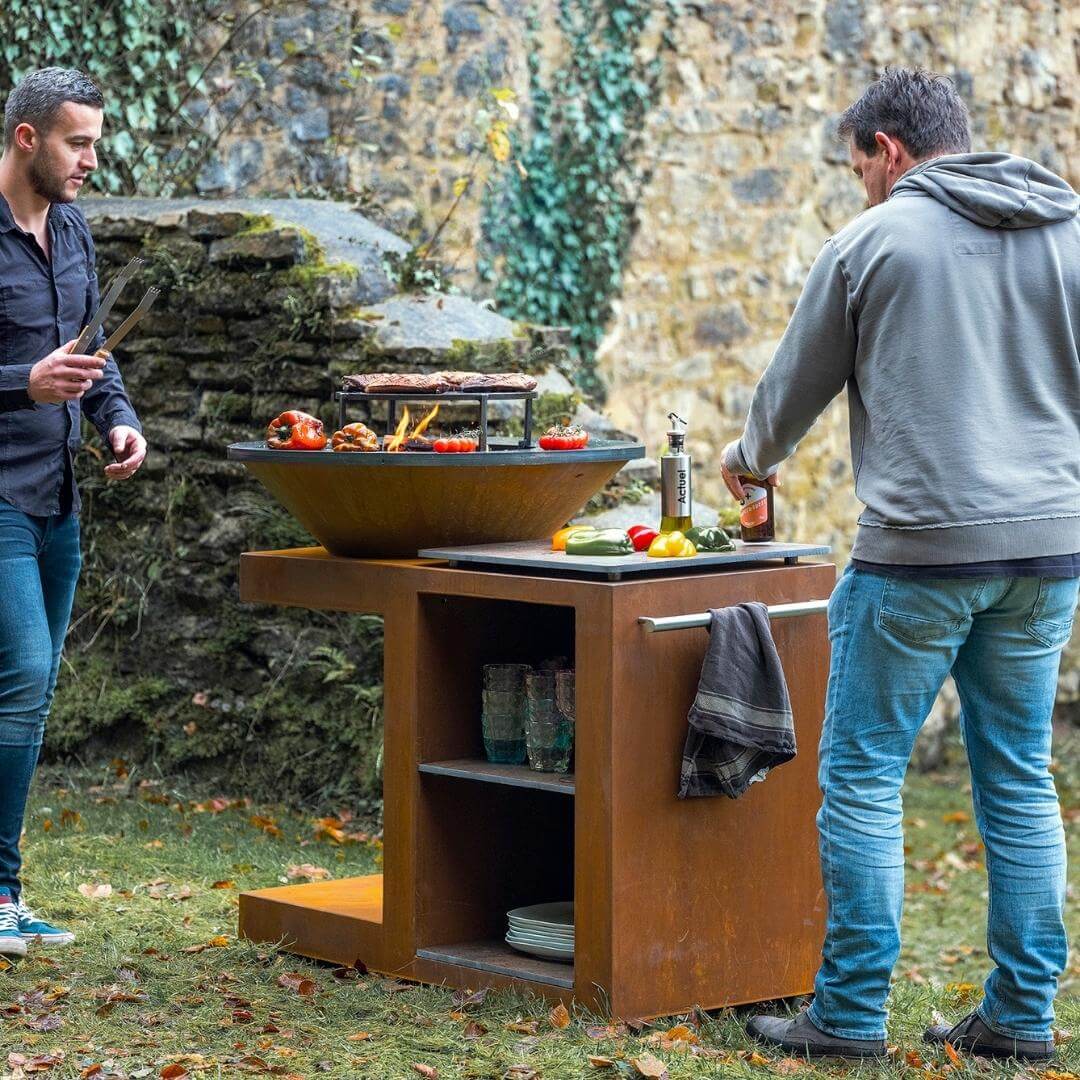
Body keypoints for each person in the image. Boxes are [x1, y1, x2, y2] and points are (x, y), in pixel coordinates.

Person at [722, 68, 1079, 1063]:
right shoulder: (1072, 230)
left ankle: (847, 1016)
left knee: (867, 780)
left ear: (886, 149)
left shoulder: (876, 239)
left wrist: (747, 461)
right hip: (1049, 553)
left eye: (857, 170)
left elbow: (794, 385)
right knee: (1018, 779)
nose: (861, 189)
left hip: (919, 555)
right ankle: (1022, 1016)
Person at [0, 68, 146, 957]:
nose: (92, 158)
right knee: (19, 683)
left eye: (95, 140)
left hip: (58, 498)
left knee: (32, 695)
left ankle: (5, 893)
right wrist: (20, 383)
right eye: (78, 142)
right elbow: (39, 374)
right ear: (27, 139)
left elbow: (93, 358)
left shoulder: (76, 231)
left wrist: (120, 422)